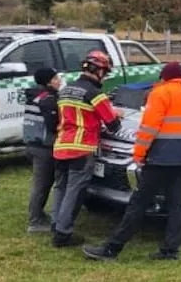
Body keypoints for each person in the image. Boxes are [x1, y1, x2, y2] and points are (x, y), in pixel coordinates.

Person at [83, 61, 181, 261]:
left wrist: (139, 154)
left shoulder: (160, 94)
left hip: (160, 158)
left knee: (138, 204)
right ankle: (171, 250)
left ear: (163, 76)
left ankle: (112, 248)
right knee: (175, 205)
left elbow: (149, 129)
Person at [49, 50, 122, 248]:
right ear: (98, 71)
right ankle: (63, 235)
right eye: (105, 73)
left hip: (60, 146)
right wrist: (116, 113)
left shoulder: (65, 90)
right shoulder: (95, 95)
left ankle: (56, 225)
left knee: (60, 188)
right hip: (81, 149)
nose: (104, 77)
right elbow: (114, 125)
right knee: (74, 191)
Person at [23, 67, 62, 233]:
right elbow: (54, 124)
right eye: (56, 78)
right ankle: (35, 221)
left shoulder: (35, 96)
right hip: (44, 146)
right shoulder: (49, 100)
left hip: (33, 144)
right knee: (42, 184)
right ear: (48, 81)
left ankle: (38, 214)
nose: (59, 80)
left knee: (42, 182)